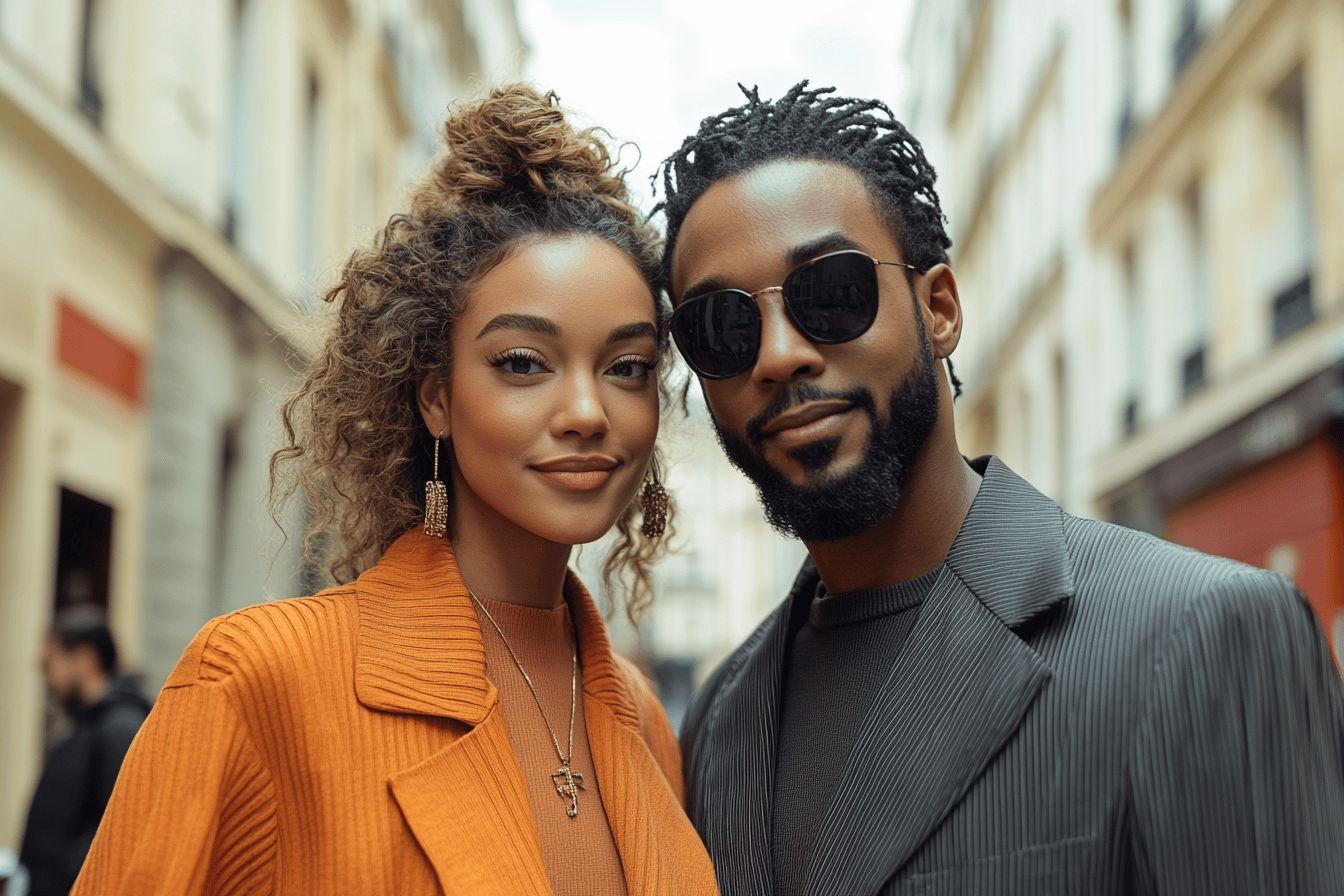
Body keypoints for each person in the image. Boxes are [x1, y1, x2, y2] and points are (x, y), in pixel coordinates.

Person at [657, 82, 1344, 895]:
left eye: (831, 295)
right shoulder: (718, 721)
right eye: (723, 328)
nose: (778, 355)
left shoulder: (1203, 634)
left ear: (939, 308)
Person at [73, 85, 717, 896]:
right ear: (435, 396)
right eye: (523, 362)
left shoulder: (644, 723)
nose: (588, 412)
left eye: (625, 367)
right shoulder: (255, 682)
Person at [19, 605, 149, 896]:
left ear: (85, 659)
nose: (48, 679)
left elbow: (123, 832)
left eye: (49, 665)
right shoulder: (88, 726)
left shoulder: (119, 728)